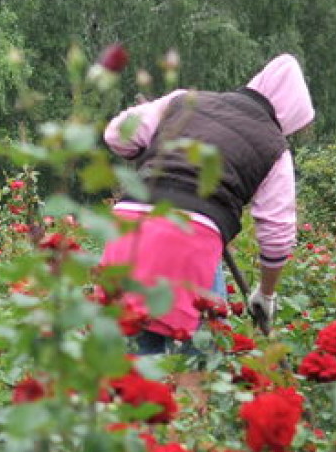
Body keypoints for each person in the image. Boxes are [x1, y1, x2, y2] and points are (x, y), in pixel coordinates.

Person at [99, 53, 315, 355]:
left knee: (132, 371)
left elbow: (116, 134)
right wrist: (265, 295)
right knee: (200, 363)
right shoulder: (274, 146)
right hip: (188, 243)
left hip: (129, 228)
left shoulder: (183, 101)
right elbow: (277, 238)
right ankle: (193, 399)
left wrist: (148, 148)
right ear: (289, 114)